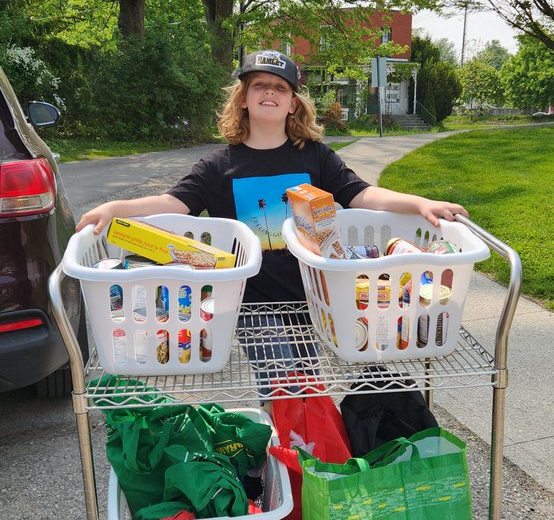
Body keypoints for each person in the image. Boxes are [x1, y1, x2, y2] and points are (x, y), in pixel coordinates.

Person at [77, 49, 467, 392]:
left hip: (313, 296)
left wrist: (420, 203)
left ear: (293, 103)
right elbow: (173, 203)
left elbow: (361, 194)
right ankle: (284, 442)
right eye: (259, 85)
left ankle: (293, 445)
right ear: (243, 99)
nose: (269, 92)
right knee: (283, 382)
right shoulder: (219, 165)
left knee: (307, 381)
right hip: (252, 302)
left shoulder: (314, 156)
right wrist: (116, 208)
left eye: (280, 87)